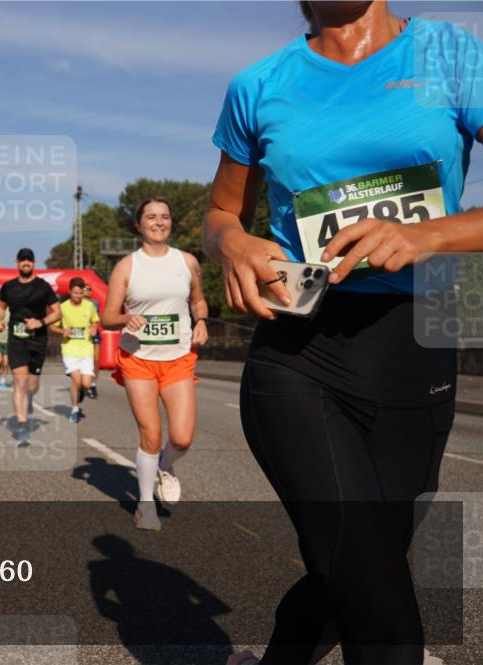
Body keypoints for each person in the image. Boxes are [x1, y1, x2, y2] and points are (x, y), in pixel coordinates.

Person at [205, 3, 483, 664]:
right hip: (299, 350)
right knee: (384, 619)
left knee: (356, 573)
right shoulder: (258, 84)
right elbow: (221, 209)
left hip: (417, 345)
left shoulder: (450, 55)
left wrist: (426, 235)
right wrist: (233, 245)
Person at [102, 197, 209, 532]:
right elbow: (107, 316)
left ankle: (166, 465)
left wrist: (202, 320)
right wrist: (125, 318)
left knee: (182, 438)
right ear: (139, 225)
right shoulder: (127, 266)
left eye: (165, 216)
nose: (159, 222)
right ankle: (145, 506)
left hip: (177, 358)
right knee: (151, 432)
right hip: (138, 360)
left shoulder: (187, 262)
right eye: (151, 217)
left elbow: (198, 300)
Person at [0, 248, 61, 447]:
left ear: (33, 263)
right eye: (23, 260)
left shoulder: (43, 286)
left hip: (38, 340)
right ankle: (22, 426)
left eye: (29, 260)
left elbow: (57, 312)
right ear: (17, 263)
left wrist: (40, 322)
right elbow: (0, 306)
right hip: (16, 339)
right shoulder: (8, 287)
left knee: (32, 386)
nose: (26, 263)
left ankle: (29, 400)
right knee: (20, 383)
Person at [50, 277, 100, 424]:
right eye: (75, 293)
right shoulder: (63, 307)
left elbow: (95, 321)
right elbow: (52, 326)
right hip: (69, 349)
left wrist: (94, 328)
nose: (78, 296)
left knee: (86, 384)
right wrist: (62, 331)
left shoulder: (89, 306)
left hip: (86, 349)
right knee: (76, 380)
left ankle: (82, 391)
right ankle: (75, 410)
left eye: (80, 293)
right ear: (70, 291)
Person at [82, 283, 102, 398]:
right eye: (85, 289)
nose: (88, 291)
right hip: (81, 336)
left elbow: (96, 318)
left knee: (96, 359)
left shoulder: (95, 303)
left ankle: (93, 384)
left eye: (90, 289)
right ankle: (82, 383)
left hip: (94, 333)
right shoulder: (77, 303)